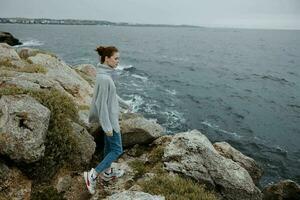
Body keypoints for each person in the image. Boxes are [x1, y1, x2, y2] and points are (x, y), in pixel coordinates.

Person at [84, 45, 131, 195]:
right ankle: (93, 174)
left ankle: (107, 172)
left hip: (108, 120)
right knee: (117, 149)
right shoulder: (105, 78)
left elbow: (111, 96)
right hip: (110, 121)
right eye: (116, 58)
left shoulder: (103, 75)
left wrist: (125, 104)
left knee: (108, 148)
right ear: (107, 58)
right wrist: (107, 126)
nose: (118, 61)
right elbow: (101, 104)